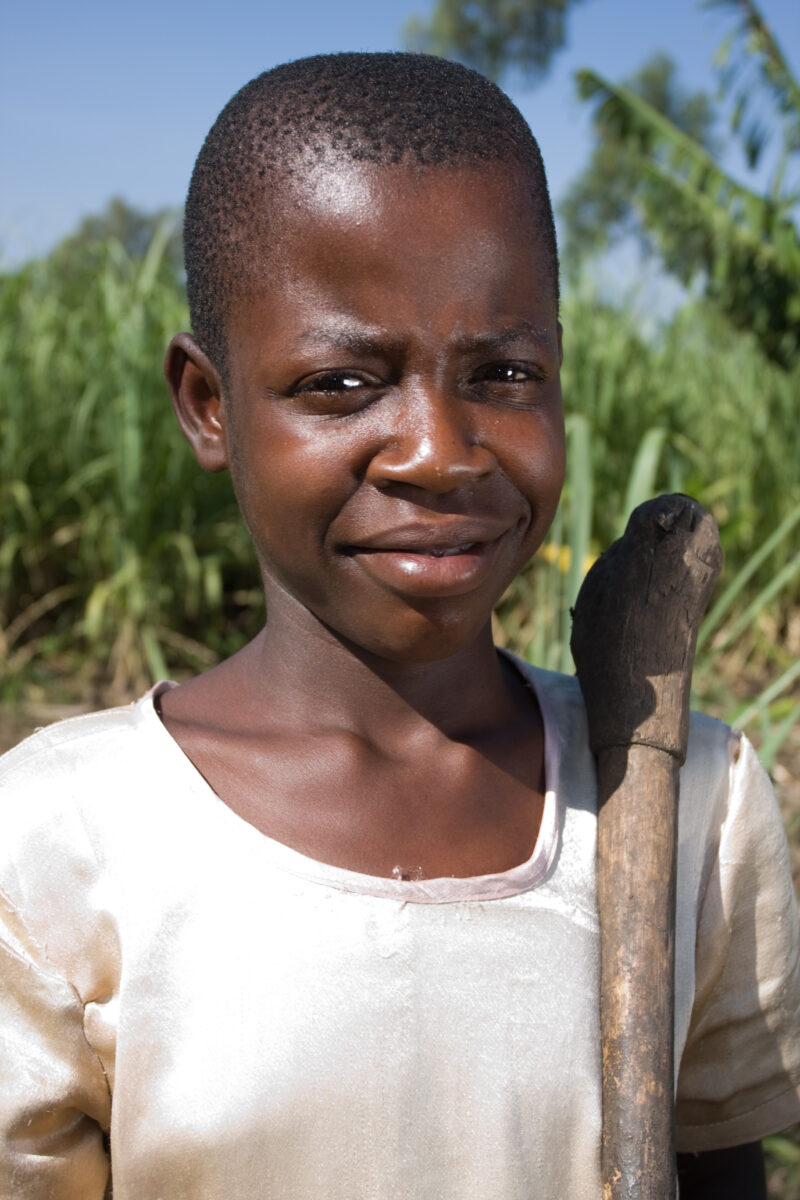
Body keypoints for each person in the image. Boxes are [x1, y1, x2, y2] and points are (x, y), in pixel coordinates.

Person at [0, 52, 798, 1200]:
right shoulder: (54, 843)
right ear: (208, 404)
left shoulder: (691, 802)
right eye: (340, 383)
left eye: (503, 372)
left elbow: (721, 1171)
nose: (438, 451)